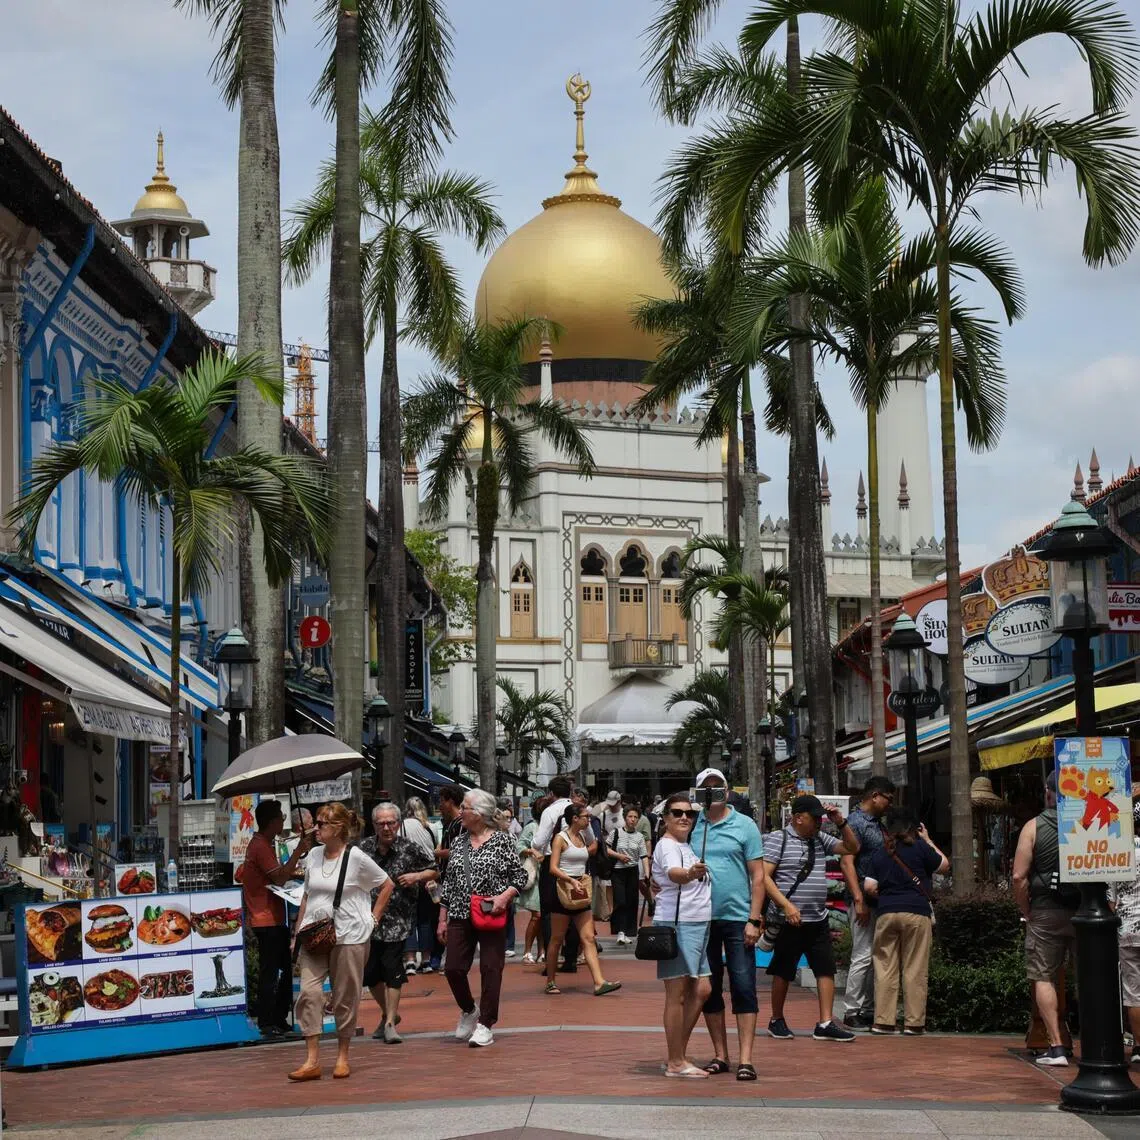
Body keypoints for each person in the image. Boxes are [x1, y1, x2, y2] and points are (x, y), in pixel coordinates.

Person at [291, 803, 393, 1081]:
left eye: (322, 824)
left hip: (350, 935)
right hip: (314, 934)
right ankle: (311, 1059)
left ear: (337, 828)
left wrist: (373, 919)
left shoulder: (356, 857)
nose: (317, 828)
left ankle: (342, 1056)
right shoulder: (312, 855)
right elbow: (307, 895)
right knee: (309, 993)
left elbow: (387, 885)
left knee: (344, 997)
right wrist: (297, 931)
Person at [763, 794, 860, 1043]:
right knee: (784, 970)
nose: (818, 822)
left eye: (820, 817)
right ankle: (777, 1019)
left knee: (825, 968)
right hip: (790, 920)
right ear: (797, 818)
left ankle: (825, 1022)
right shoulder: (779, 839)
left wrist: (840, 823)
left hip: (818, 918)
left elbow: (851, 848)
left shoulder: (820, 839)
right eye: (814, 817)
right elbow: (763, 877)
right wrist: (786, 906)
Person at [689, 768, 766, 1080]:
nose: (712, 793)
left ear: (726, 790)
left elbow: (758, 877)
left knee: (744, 984)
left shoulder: (745, 825)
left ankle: (746, 1058)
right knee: (709, 988)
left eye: (716, 787)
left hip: (737, 918)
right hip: (701, 918)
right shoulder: (693, 824)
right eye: (705, 789)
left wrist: (754, 918)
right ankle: (721, 1054)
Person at [438, 789, 528, 1048]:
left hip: (491, 912)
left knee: (491, 969)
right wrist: (442, 917)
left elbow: (519, 877)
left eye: (465, 808)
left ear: (479, 814)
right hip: (458, 912)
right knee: (453, 968)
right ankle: (469, 1009)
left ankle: (486, 1023)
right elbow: (450, 881)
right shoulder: (458, 842)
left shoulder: (502, 841)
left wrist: (504, 897)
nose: (461, 813)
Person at [1012, 770, 1079, 1066]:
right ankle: (1097, 1045)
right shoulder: (1087, 821)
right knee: (1091, 979)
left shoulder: (1033, 827)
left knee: (1044, 975)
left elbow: (1018, 876)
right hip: (1085, 911)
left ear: (1048, 792)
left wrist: (1026, 909)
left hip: (1045, 911)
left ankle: (1057, 1047)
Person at [359, 802, 438, 1044]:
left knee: (392, 968)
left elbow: (433, 869)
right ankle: (388, 1013)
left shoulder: (409, 848)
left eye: (391, 823)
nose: (386, 827)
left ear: (398, 823)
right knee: (370, 974)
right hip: (367, 918)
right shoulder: (362, 849)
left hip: (398, 919)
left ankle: (391, 1023)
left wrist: (416, 876)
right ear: (374, 825)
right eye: (381, 823)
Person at [865, 807, 948, 1035]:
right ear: (914, 828)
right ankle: (913, 1023)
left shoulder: (882, 852)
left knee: (884, 967)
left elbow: (869, 886)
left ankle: (883, 1021)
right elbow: (944, 865)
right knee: (915, 968)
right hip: (916, 913)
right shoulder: (920, 847)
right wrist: (928, 839)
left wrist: (887, 897)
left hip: (886, 913)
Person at [652, 791, 712, 1078]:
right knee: (676, 995)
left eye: (689, 813)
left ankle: (677, 1053)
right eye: (677, 813)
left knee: (702, 989)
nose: (684, 817)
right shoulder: (667, 846)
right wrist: (690, 874)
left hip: (698, 924)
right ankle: (675, 1061)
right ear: (665, 818)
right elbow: (674, 873)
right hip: (679, 924)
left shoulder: (685, 845)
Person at [241, 798, 312, 1038]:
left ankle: (279, 1017)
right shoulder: (260, 846)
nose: (283, 820)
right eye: (280, 817)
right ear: (271, 821)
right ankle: (268, 1021)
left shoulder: (266, 844)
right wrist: (299, 852)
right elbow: (280, 878)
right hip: (265, 918)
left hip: (274, 916)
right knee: (271, 971)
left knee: (282, 967)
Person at [545, 803, 622, 996]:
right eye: (585, 816)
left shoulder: (581, 836)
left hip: (581, 890)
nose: (589, 819)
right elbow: (553, 868)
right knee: (556, 939)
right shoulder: (560, 839)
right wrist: (570, 880)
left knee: (588, 938)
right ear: (574, 819)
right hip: (563, 891)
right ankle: (550, 981)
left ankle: (599, 982)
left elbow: (590, 851)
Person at [843, 776, 896, 1030]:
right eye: (888, 798)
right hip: (863, 899)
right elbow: (847, 862)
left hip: (877, 899)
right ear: (875, 795)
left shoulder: (878, 824)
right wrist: (858, 899)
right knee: (863, 954)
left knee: (874, 955)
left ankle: (866, 1008)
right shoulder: (856, 822)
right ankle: (852, 1008)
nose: (889, 804)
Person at [534, 775, 581, 972]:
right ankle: (570, 958)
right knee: (575, 911)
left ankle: (550, 962)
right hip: (576, 865)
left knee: (549, 913)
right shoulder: (579, 810)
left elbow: (538, 842)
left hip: (552, 865)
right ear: (570, 791)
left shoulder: (550, 811)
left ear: (552, 794)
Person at [1110, 797, 1140, 1063]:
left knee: (1133, 991)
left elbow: (1111, 899)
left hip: (1128, 929)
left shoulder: (1121, 852)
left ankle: (1139, 1046)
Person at [402, 797, 442, 974]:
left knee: (409, 919)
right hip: (428, 876)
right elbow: (436, 853)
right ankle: (426, 960)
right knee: (425, 920)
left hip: (408, 876)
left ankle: (410, 961)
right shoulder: (430, 827)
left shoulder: (402, 825)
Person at [610, 806, 649, 944]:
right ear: (625, 817)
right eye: (630, 816)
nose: (632, 820)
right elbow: (606, 849)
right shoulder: (616, 833)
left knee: (631, 902)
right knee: (620, 901)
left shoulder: (639, 837)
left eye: (635, 817)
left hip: (633, 871)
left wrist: (647, 873)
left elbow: (644, 856)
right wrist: (619, 856)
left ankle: (627, 931)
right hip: (617, 871)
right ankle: (620, 931)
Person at [517, 795, 549, 963]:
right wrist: (531, 851)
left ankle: (541, 951)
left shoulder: (552, 828)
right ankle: (528, 951)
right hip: (535, 876)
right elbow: (519, 846)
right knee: (537, 914)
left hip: (549, 875)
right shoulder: (532, 827)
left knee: (544, 916)